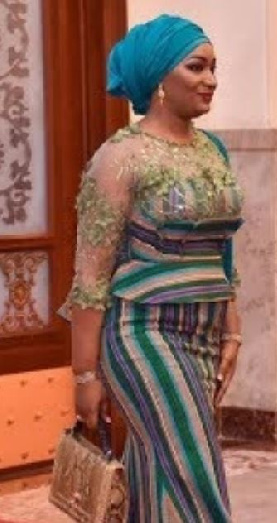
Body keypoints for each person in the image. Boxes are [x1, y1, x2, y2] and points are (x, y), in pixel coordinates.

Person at [60, 14, 243, 523]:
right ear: (160, 78)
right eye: (196, 67)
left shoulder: (214, 149)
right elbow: (90, 278)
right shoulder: (119, 158)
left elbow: (225, 252)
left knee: (157, 472)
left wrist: (233, 330)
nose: (210, 79)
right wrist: (85, 374)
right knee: (194, 472)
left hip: (204, 334)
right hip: (144, 332)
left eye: (213, 68)